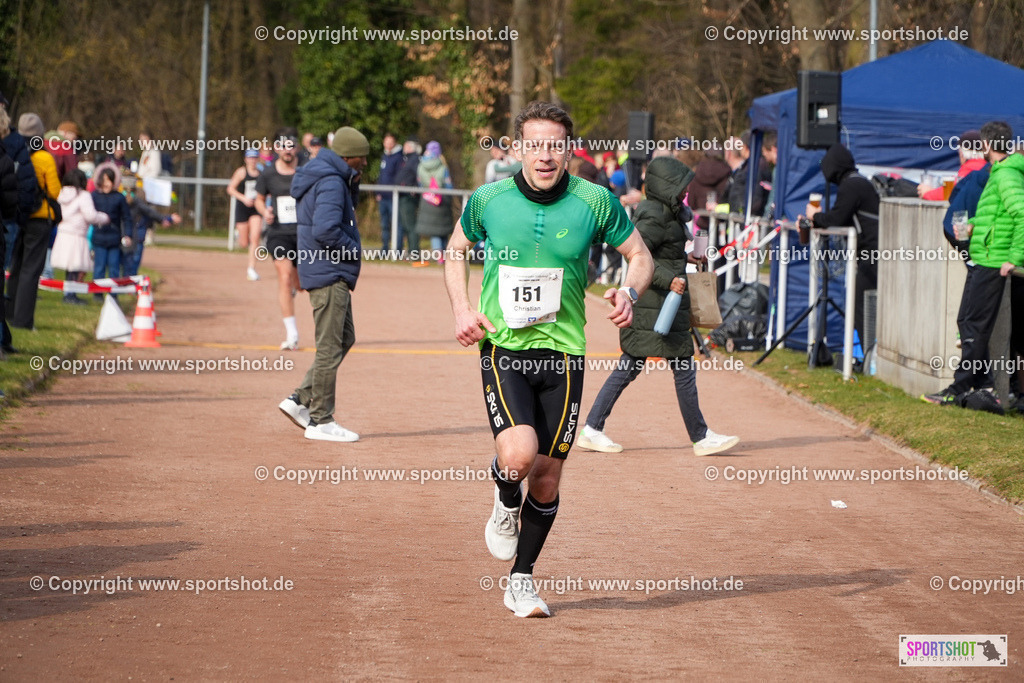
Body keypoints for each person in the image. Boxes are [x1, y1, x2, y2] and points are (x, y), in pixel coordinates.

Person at [444, 101, 654, 618]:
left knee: (547, 476)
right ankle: (502, 492)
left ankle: (521, 580)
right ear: (518, 148)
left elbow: (641, 256)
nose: (544, 155)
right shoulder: (487, 200)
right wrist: (463, 308)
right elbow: (455, 251)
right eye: (534, 144)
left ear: (567, 151)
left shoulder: (595, 201)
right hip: (505, 348)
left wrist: (629, 291)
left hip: (563, 353)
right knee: (518, 457)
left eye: (555, 145)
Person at [576, 156, 740, 457]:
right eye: (680, 187)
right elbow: (639, 256)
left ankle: (593, 428)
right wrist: (669, 279)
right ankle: (699, 436)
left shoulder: (667, 211)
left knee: (646, 366)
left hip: (665, 307)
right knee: (656, 367)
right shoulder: (654, 214)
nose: (685, 193)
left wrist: (686, 259)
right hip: (656, 304)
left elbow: (661, 252)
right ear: (666, 187)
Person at [923, 121, 1024, 412]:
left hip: (993, 261)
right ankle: (979, 386)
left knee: (974, 326)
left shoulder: (1005, 176)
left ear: (987, 145)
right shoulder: (999, 173)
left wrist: (1013, 258)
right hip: (984, 256)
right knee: (967, 322)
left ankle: (961, 387)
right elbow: (997, 217)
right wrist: (974, 225)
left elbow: (1021, 214)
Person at [277, 126, 368, 442]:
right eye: (362, 158)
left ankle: (300, 399)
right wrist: (354, 250)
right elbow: (327, 229)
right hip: (329, 271)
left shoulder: (331, 177)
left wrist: (352, 184)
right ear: (348, 156)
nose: (365, 163)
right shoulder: (330, 181)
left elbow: (341, 215)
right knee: (330, 347)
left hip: (324, 270)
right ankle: (321, 420)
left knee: (345, 338)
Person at [800, 143, 880, 350]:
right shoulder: (858, 182)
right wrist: (816, 220)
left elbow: (837, 218)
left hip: (871, 256)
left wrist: (814, 215)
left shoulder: (851, 185)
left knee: (862, 306)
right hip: (872, 254)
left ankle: (870, 357)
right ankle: (866, 355)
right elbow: (842, 218)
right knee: (862, 306)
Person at [6, 113, 60, 331]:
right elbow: (55, 191)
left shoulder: (13, 152)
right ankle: (23, 320)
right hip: (39, 218)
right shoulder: (44, 157)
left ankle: (9, 313)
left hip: (17, 215)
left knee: (16, 267)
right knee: (31, 269)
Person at [257, 127, 302, 350]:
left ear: (297, 147)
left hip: (304, 234)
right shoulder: (268, 174)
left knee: (301, 284)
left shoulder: (305, 170)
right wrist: (264, 211)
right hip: (279, 234)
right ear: (276, 148)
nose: (287, 150)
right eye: (283, 145)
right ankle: (292, 334)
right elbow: (258, 199)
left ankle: (296, 284)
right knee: (284, 278)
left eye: (291, 145)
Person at [52, 169, 108, 304]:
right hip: (76, 235)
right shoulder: (83, 195)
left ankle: (68, 293)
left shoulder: (62, 193)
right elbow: (91, 215)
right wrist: (105, 218)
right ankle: (70, 295)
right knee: (75, 267)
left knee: (69, 267)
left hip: (63, 233)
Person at [89, 164, 131, 298]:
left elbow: (126, 218)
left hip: (114, 239)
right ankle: (97, 295)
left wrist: (127, 235)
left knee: (114, 269)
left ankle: (113, 295)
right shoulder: (94, 196)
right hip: (99, 238)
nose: (107, 183)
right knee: (99, 268)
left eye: (109, 180)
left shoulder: (119, 197)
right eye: (105, 180)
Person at [124, 180, 180, 277]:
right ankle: (129, 282)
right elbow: (151, 213)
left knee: (130, 262)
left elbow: (152, 215)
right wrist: (168, 218)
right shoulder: (137, 204)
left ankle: (128, 282)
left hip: (135, 237)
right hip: (136, 237)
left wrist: (166, 219)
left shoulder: (133, 204)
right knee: (132, 262)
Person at [918, 130, 986, 201]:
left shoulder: (970, 169)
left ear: (962, 153)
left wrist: (927, 193)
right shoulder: (988, 166)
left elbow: (952, 191)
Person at [414, 140, 453, 263]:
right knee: (443, 230)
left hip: (427, 201)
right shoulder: (442, 166)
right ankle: (445, 255)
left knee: (433, 231)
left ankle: (438, 255)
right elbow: (448, 185)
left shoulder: (421, 166)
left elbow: (420, 183)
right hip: (442, 200)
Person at [227, 149, 263, 280]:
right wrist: (243, 198)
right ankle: (240, 235)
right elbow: (230, 189)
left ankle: (251, 269)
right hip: (242, 207)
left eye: (255, 157)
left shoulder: (261, 173)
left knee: (255, 237)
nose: (253, 160)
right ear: (246, 159)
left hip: (256, 209)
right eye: (250, 158)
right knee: (244, 243)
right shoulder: (241, 172)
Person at [394, 137, 420, 257]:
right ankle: (411, 251)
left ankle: (414, 252)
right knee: (405, 225)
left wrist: (413, 187)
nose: (404, 148)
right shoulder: (406, 159)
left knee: (410, 225)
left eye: (406, 146)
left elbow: (417, 176)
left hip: (408, 197)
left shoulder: (414, 159)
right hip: (402, 195)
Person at [376, 133, 402, 250]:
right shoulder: (385, 156)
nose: (388, 144)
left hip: (393, 197)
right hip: (383, 197)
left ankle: (397, 249)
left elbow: (398, 177)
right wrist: (378, 192)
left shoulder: (399, 157)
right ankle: (385, 249)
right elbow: (381, 176)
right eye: (386, 142)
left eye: (390, 142)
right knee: (384, 225)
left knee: (396, 224)